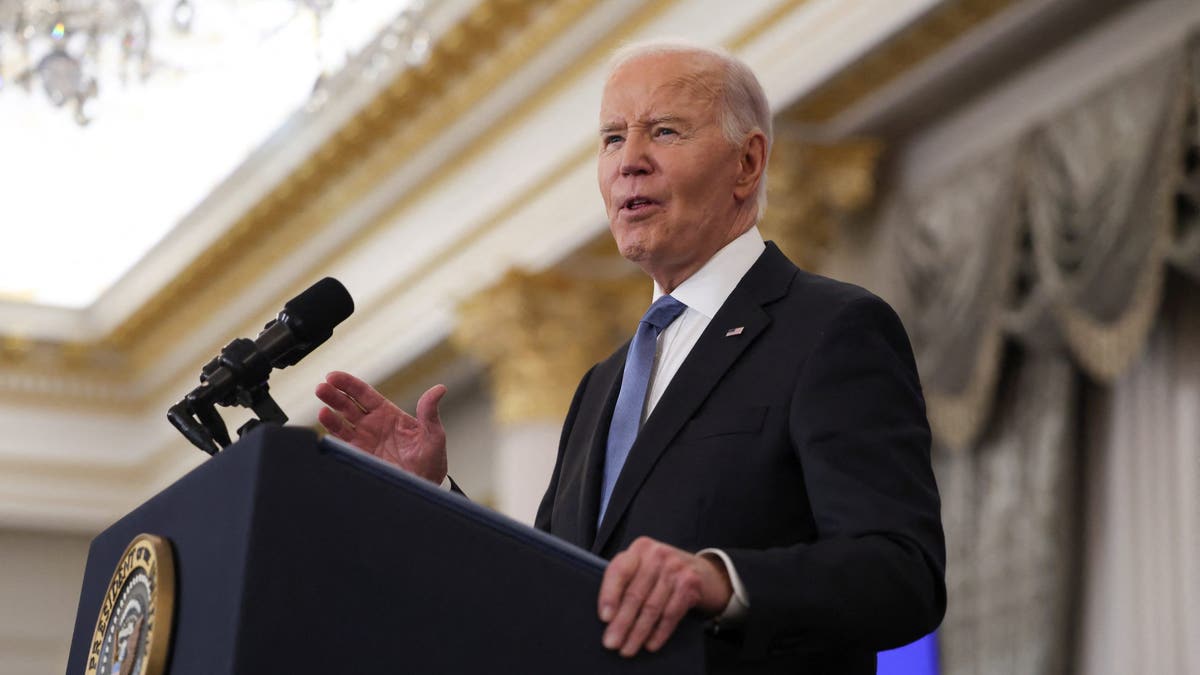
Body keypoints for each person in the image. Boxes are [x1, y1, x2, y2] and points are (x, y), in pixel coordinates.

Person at [316, 41, 945, 674]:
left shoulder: (829, 329)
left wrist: (721, 580)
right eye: (612, 138)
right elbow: (549, 585)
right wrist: (432, 497)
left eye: (665, 132)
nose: (630, 163)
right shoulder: (601, 384)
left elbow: (902, 572)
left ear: (748, 164)